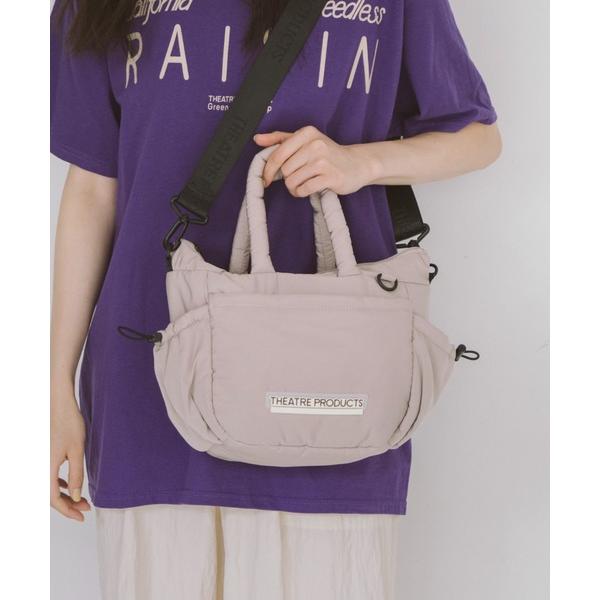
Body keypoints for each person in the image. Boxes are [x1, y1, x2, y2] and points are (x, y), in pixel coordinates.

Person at [50, 0, 501, 598]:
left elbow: (476, 136)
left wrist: (360, 162)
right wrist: (56, 385)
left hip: (333, 371)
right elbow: (91, 188)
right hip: (152, 365)